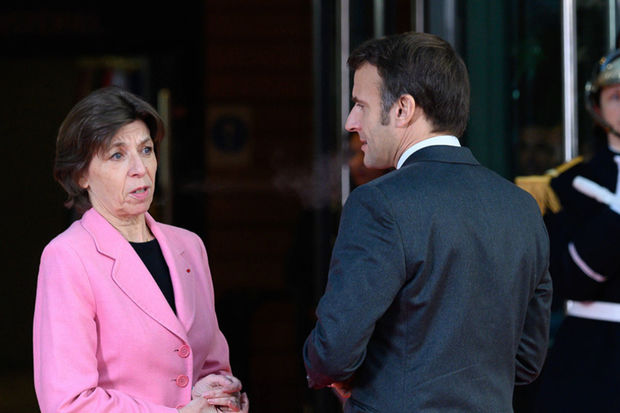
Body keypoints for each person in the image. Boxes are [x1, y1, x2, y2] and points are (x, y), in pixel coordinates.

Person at [303, 32, 552, 412]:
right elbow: (528, 359)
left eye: (360, 105)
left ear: (403, 109)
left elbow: (332, 353)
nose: (351, 122)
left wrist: (339, 371)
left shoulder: (378, 203)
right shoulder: (521, 206)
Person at [33, 86, 249, 413]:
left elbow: (212, 366)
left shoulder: (189, 246)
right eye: (117, 155)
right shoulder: (68, 257)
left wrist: (222, 396)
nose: (140, 168)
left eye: (146, 150)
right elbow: (67, 403)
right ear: (81, 174)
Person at [533, 49, 620, 412]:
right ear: (597, 108)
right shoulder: (570, 185)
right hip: (593, 360)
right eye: (616, 96)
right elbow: (571, 281)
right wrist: (615, 215)